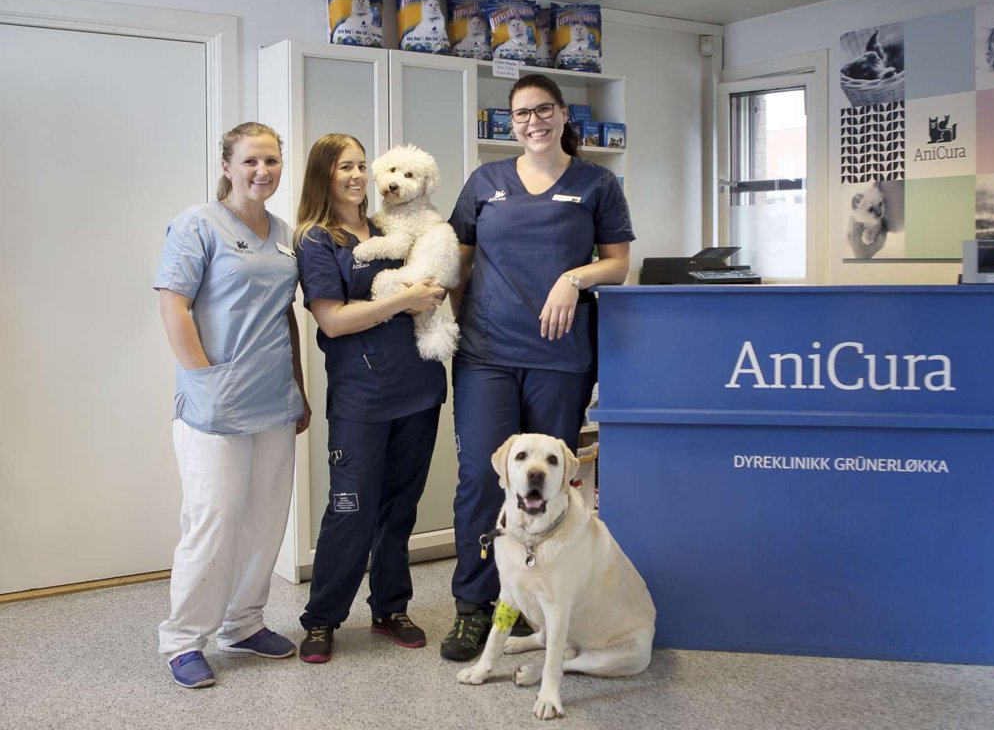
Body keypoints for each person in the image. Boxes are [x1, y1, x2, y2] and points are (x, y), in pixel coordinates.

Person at [441, 73, 635, 661]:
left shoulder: (597, 184)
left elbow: (618, 263)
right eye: (522, 113)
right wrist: (463, 325)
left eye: (544, 110)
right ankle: (474, 609)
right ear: (511, 121)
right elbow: (459, 262)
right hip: (487, 357)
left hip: (560, 357)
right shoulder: (486, 182)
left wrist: (572, 277)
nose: (533, 121)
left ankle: (536, 607)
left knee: (550, 485)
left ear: (562, 116)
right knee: (483, 478)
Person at [155, 121, 312, 688]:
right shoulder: (198, 224)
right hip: (214, 404)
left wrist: (298, 386)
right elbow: (174, 306)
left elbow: (285, 317)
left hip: (273, 398)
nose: (262, 171)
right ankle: (182, 640)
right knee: (213, 521)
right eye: (249, 161)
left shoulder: (284, 233)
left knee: (266, 521)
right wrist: (203, 378)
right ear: (227, 165)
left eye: (270, 161)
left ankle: (242, 624)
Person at [293, 133, 447, 663]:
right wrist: (406, 298)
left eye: (362, 165)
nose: (358, 176)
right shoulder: (317, 240)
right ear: (324, 176)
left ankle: (390, 607)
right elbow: (333, 320)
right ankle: (322, 618)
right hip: (362, 395)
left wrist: (433, 291)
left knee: (400, 507)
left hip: (419, 388)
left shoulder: (391, 226)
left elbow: (437, 274)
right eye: (344, 168)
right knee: (350, 508)